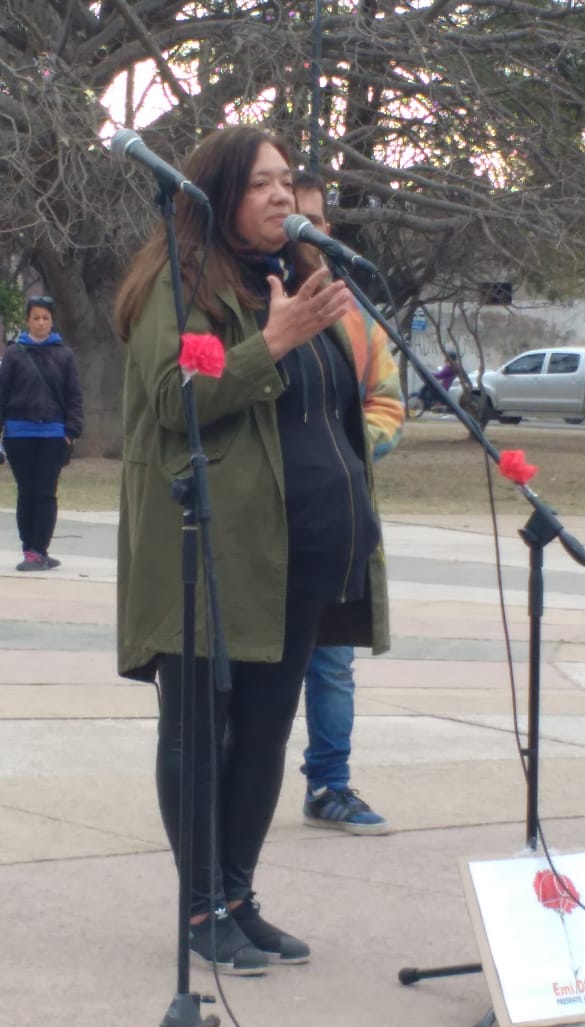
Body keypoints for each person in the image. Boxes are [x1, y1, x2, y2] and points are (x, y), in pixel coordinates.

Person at [115, 126, 390, 977]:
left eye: (287, 182)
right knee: (201, 732)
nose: (282, 196)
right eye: (262, 183)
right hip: (213, 550)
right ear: (215, 194)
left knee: (268, 730)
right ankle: (199, 905)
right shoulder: (183, 284)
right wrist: (272, 340)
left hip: (296, 553)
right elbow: (177, 396)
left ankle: (237, 895)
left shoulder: (294, 279)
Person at [293, 171, 405, 835]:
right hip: (262, 521)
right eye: (292, 220)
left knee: (331, 663)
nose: (307, 232)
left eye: (315, 219)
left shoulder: (356, 315)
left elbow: (388, 404)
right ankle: (223, 782)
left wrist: (340, 448)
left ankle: (328, 785)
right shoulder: (248, 301)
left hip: (338, 518)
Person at [0, 295, 83, 571]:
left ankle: (39, 549)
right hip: (18, 434)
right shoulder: (13, 354)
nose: (40, 323)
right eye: (35, 317)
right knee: (27, 491)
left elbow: (74, 398)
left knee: (46, 491)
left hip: (53, 434)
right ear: (27, 321)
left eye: (45, 317)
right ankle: (30, 548)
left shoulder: (64, 355)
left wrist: (70, 432)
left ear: (52, 321)